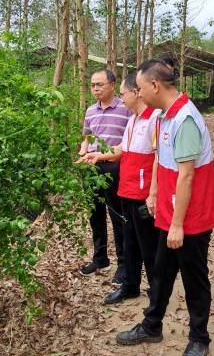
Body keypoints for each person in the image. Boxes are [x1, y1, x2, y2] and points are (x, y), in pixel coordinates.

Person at [116, 59, 214, 356]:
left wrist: (177, 224)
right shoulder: (164, 116)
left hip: (191, 217)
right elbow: (162, 162)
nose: (138, 93)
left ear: (155, 85)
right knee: (162, 272)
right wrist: (154, 194)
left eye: (139, 88)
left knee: (193, 276)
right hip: (170, 211)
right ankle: (152, 325)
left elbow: (187, 175)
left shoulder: (185, 119)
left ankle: (199, 338)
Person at [79, 72, 160, 305]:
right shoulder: (132, 119)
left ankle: (154, 289)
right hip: (121, 182)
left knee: (142, 238)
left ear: (136, 92)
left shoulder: (150, 117)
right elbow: (119, 147)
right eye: (92, 85)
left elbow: (157, 156)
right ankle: (127, 282)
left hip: (135, 185)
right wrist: (93, 154)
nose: (122, 99)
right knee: (125, 234)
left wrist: (153, 193)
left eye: (124, 94)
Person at [78, 68, 133, 283]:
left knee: (117, 215)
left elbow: (129, 141)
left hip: (114, 167)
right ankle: (100, 258)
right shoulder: (91, 110)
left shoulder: (125, 108)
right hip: (92, 167)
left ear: (112, 84)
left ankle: (124, 264)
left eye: (99, 84)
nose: (95, 89)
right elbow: (86, 136)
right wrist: (83, 150)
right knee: (95, 214)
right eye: (92, 85)